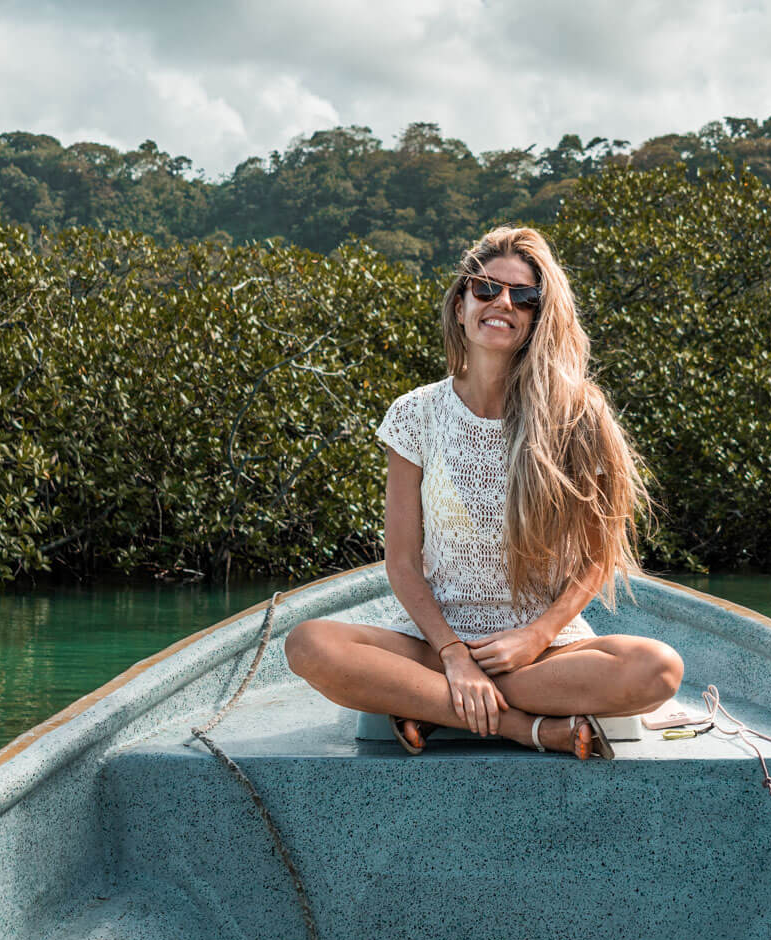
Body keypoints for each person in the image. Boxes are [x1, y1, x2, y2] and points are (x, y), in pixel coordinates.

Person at [285, 226, 684, 759]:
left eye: (524, 296)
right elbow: (402, 564)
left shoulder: (576, 416)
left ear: (538, 317)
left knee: (658, 669)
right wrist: (453, 655)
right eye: (487, 288)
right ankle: (522, 727)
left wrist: (536, 636)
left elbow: (595, 559)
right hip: (432, 644)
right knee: (309, 645)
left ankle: (428, 706)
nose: (503, 303)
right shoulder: (415, 414)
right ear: (460, 304)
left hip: (542, 655)